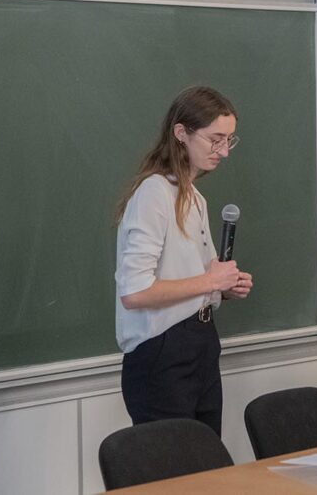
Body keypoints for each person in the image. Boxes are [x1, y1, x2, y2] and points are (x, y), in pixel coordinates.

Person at [114, 85, 253, 436]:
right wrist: (211, 281)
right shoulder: (154, 193)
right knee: (176, 461)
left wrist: (224, 288)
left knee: (207, 457)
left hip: (201, 341)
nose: (224, 151)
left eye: (229, 140)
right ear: (181, 133)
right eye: (215, 140)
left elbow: (195, 280)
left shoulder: (194, 197)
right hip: (163, 350)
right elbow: (134, 292)